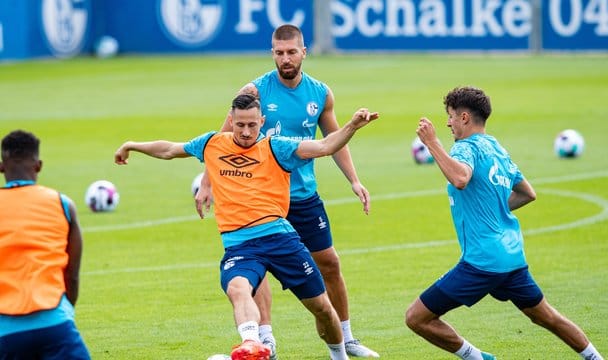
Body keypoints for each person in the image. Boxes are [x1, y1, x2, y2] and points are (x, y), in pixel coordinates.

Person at [114, 94, 379, 360]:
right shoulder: (212, 143)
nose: (246, 131)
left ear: (262, 121)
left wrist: (351, 127)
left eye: (252, 125)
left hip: (281, 239)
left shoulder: (277, 148)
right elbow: (169, 149)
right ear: (231, 120)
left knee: (321, 307)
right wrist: (132, 145)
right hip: (239, 246)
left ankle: (339, 355)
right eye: (240, 125)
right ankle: (252, 343)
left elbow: (323, 146)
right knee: (237, 289)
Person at [196, 24, 379, 359]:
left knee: (330, 264)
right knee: (257, 266)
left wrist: (354, 180)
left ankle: (347, 337)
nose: (285, 59)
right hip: (260, 198)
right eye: (279, 53)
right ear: (272, 54)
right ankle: (265, 341)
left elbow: (332, 140)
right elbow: (221, 140)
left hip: (303, 195)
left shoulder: (320, 93)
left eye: (291, 52)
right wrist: (207, 183)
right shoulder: (255, 91)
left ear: (303, 52)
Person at [404, 86, 604, 360]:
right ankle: (596, 357)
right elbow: (527, 193)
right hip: (511, 256)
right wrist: (493, 207)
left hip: (481, 263)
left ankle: (477, 357)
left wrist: (433, 143)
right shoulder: (495, 146)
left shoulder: (465, 148)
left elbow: (460, 179)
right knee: (548, 317)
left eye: (450, 116)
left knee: (416, 317)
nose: (447, 123)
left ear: (464, 117)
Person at [0, 130, 91, 360]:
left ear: (2, 167)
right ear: (39, 166)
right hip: (55, 323)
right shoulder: (62, 204)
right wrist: (64, 313)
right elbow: (72, 275)